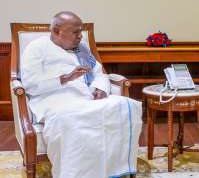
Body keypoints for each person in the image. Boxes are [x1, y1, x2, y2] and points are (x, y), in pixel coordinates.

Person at [21, 11, 143, 178]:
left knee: (126, 105)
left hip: (86, 98)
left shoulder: (82, 49)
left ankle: (114, 169)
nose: (80, 36)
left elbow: (99, 73)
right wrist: (66, 78)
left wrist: (101, 88)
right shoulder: (36, 48)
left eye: (81, 31)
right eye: (75, 32)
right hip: (54, 100)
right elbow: (30, 84)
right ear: (57, 31)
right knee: (68, 118)